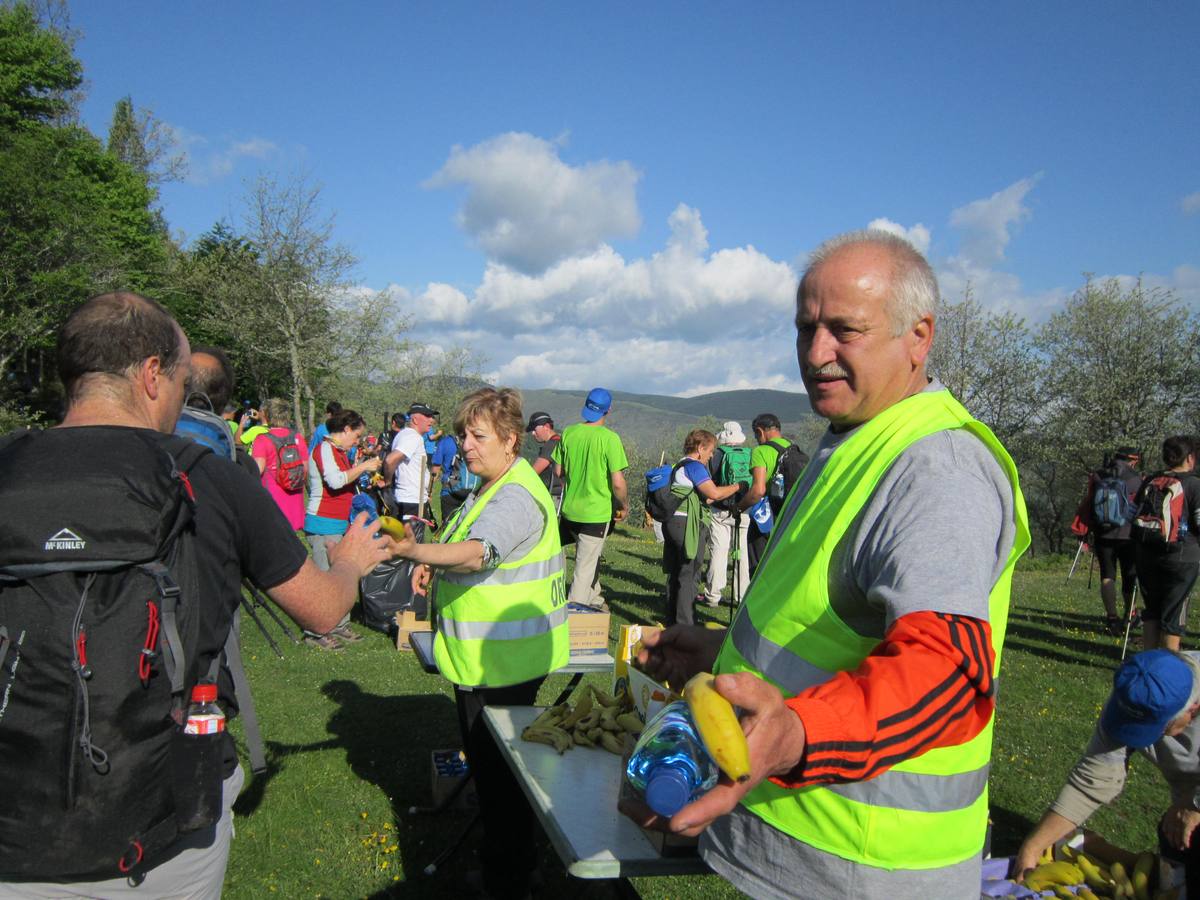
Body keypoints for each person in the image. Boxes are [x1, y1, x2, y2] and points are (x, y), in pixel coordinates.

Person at [626, 230, 1030, 900]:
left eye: (845, 330)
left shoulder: (937, 469)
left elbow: (950, 673)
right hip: (801, 847)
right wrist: (725, 653)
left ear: (918, 336)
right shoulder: (853, 438)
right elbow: (828, 620)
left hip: (868, 870)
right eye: (805, 329)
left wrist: (797, 734)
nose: (816, 356)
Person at [0, 292, 393, 897]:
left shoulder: (8, 467)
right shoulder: (210, 476)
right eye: (184, 380)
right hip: (165, 816)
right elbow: (321, 608)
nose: (184, 397)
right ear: (152, 375)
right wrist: (348, 564)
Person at [392, 387, 568, 900]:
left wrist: (412, 550)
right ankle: (510, 864)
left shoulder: (514, 494)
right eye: (463, 433)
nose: (465, 445)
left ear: (510, 441)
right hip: (489, 657)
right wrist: (430, 562)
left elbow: (477, 553)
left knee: (500, 780)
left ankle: (509, 877)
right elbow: (465, 540)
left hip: (502, 663)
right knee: (495, 774)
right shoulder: (492, 485)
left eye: (477, 435)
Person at [1015, 650, 1200, 888]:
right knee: (1173, 875)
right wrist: (1033, 847)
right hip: (1184, 808)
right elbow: (1093, 779)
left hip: (1190, 804)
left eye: (1155, 727)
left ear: (1192, 710)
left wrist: (1193, 804)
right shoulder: (1136, 692)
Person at [303, 408, 384, 650]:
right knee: (323, 580)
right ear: (346, 429)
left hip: (338, 523)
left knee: (339, 577)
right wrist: (363, 466)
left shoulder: (339, 452)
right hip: (322, 522)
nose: (357, 441)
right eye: (356, 436)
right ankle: (315, 632)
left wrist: (361, 470)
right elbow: (335, 481)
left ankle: (338, 624)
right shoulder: (324, 449)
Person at [553, 387, 629, 610]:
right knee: (583, 568)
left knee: (589, 558)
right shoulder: (610, 439)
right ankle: (573, 616)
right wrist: (624, 505)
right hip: (596, 514)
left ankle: (595, 599)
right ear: (608, 410)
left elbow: (559, 471)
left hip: (569, 510)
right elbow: (618, 482)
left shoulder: (568, 433)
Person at [662, 429, 741, 626]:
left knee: (676, 572)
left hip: (673, 522)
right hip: (688, 525)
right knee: (690, 573)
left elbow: (705, 496)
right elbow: (712, 493)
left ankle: (673, 620)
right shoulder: (694, 467)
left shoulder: (678, 465)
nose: (712, 455)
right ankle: (685, 624)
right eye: (711, 450)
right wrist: (738, 487)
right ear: (700, 448)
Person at [1135, 435, 1200, 652]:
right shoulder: (1193, 484)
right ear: (1190, 458)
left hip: (1147, 554)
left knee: (1152, 611)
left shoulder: (1151, 480)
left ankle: (1149, 663)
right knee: (1174, 614)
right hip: (1182, 558)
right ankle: (1167, 668)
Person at [1079, 446, 1143, 635]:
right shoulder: (1135, 479)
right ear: (1132, 460)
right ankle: (1130, 615)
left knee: (1107, 575)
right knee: (1129, 577)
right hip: (1128, 534)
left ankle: (1112, 618)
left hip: (1103, 534)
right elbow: (1140, 506)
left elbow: (1089, 502)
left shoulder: (1098, 475)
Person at [702, 421, 751, 608]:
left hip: (720, 509)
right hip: (743, 509)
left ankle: (713, 595)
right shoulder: (749, 454)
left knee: (719, 552)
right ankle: (740, 596)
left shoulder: (717, 455)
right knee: (742, 554)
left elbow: (709, 482)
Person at [737, 412, 793, 574]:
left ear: (760, 431)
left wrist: (739, 507)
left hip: (767, 516)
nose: (756, 438)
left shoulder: (760, 451)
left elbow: (758, 490)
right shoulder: (792, 448)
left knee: (759, 564)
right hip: (789, 514)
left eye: (756, 435)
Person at [251, 397, 309, 531]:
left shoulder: (262, 439)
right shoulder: (297, 437)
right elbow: (305, 470)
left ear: (267, 414)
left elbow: (257, 470)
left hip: (272, 500)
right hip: (294, 497)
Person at [386, 402, 438, 519]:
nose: (432, 420)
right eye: (427, 416)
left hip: (411, 499)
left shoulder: (406, 434)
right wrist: (388, 482)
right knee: (412, 537)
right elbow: (390, 460)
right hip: (412, 501)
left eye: (432, 417)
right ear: (415, 420)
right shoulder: (412, 437)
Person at [526, 411, 563, 507]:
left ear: (546, 427)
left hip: (553, 496)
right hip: (562, 493)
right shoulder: (561, 441)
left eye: (535, 429)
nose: (533, 433)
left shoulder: (550, 445)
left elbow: (533, 473)